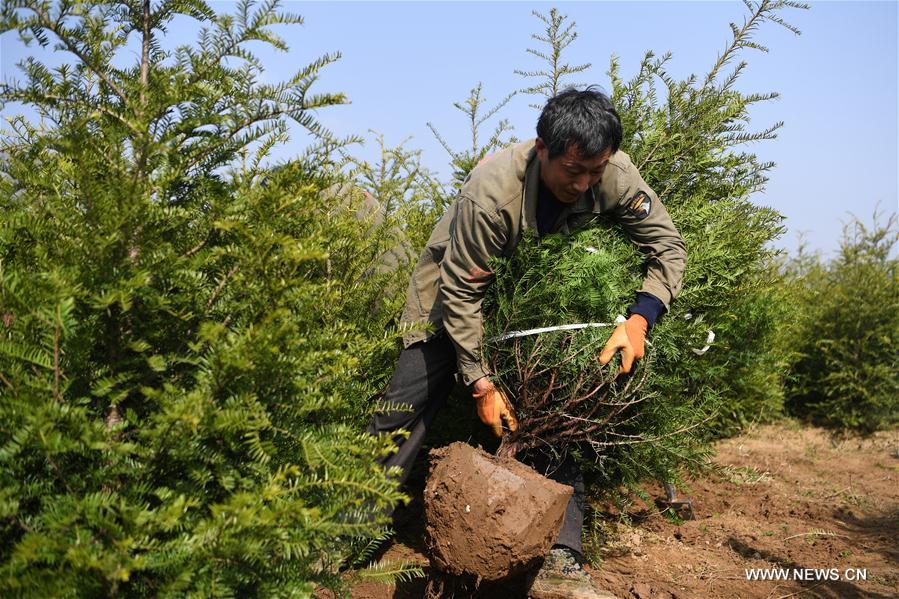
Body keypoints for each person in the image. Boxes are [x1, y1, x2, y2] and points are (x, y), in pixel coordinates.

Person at [368, 87, 686, 598]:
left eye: (595, 172)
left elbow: (667, 247)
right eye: (572, 170)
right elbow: (462, 292)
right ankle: (345, 530)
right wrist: (480, 382)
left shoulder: (615, 173)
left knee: (550, 409)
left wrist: (640, 319)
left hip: (534, 307)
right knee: (403, 409)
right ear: (543, 149)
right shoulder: (491, 193)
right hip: (454, 296)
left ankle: (560, 560)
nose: (583, 184)